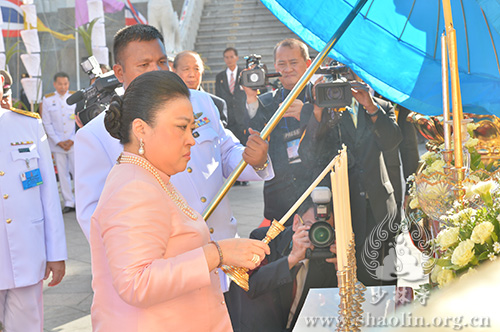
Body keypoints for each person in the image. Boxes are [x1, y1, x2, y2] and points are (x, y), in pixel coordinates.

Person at [75, 25, 273, 325]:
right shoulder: (104, 146)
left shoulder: (198, 102)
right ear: (119, 71)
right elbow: (106, 230)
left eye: (162, 62)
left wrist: (254, 160)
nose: (191, 139)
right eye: (144, 65)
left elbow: (225, 150)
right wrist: (203, 251)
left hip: (213, 267)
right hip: (164, 294)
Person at [299, 71, 402, 286]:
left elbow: (392, 143)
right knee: (350, 277)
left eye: (350, 73)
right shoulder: (322, 110)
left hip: (379, 205)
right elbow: (308, 157)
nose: (344, 82)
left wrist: (371, 107)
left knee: (385, 275)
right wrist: (318, 110)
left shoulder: (380, 107)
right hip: (343, 208)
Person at [0, 73, 67, 332]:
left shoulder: (27, 125)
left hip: (26, 250)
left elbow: (48, 194)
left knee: (27, 325)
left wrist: (56, 252)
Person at [236, 196, 337, 332]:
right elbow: (251, 286)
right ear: (296, 222)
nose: (316, 235)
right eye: (309, 227)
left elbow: (333, 308)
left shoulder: (329, 254)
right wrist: (292, 259)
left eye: (324, 230)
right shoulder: (265, 239)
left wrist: (341, 269)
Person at [243, 38, 314, 225]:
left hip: (316, 190)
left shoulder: (320, 97)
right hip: (280, 196)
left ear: (307, 64)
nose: (287, 69)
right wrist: (251, 97)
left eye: (293, 63)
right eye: (282, 64)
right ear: (274, 66)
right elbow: (254, 131)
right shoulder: (267, 101)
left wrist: (307, 114)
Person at [41, 72, 77, 214]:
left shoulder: (74, 98)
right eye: (60, 84)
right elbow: (46, 123)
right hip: (57, 143)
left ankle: (80, 200)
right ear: (55, 84)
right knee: (62, 173)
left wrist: (72, 139)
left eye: (66, 83)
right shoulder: (48, 100)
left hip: (73, 142)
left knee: (77, 172)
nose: (63, 87)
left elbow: (78, 121)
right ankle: (69, 201)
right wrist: (58, 141)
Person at [172, 50, 228, 126]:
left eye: (196, 69)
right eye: (186, 69)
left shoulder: (216, 104)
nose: (192, 74)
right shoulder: (166, 104)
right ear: (174, 71)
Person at [216, 47, 248, 144]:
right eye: (226, 57)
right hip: (228, 120)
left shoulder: (244, 73)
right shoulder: (220, 77)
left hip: (243, 117)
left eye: (231, 57)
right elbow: (218, 96)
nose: (229, 60)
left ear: (237, 57)